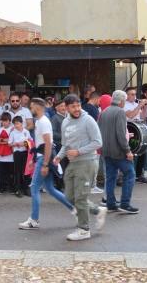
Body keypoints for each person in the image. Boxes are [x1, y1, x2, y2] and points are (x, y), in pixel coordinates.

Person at [54, 94, 106, 241]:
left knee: (80, 198)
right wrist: (58, 156)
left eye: (78, 106)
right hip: (73, 163)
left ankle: (84, 230)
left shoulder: (88, 120)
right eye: (73, 107)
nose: (77, 109)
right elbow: (65, 144)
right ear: (67, 107)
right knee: (69, 197)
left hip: (87, 162)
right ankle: (97, 210)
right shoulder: (65, 122)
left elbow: (98, 142)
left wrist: (78, 151)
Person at [19, 98, 75, 231]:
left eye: (31, 107)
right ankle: (74, 209)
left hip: (44, 158)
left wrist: (44, 164)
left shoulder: (43, 122)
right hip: (44, 157)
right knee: (50, 189)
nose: (30, 110)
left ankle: (34, 220)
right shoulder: (40, 121)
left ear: (37, 107)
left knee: (34, 188)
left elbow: (48, 143)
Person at [98, 90, 138, 214]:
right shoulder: (120, 112)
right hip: (118, 151)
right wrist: (127, 151)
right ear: (121, 101)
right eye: (124, 101)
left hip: (106, 150)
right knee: (130, 174)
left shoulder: (104, 112)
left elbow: (99, 131)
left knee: (110, 177)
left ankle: (110, 204)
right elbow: (121, 134)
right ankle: (125, 203)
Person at [8, 115, 30, 197]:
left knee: (25, 171)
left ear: (22, 123)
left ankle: (26, 188)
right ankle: (17, 189)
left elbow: (30, 141)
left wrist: (24, 143)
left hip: (25, 152)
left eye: (18, 123)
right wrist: (16, 144)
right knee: (17, 171)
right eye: (15, 124)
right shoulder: (13, 133)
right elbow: (9, 144)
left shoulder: (26, 132)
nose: (16, 125)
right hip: (17, 152)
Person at [0, 112, 14, 193]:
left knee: (11, 173)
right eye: (3, 121)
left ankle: (12, 187)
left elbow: (12, 141)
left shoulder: (13, 129)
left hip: (10, 155)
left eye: (6, 121)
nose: (4, 122)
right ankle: (2, 187)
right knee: (1, 173)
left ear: (10, 121)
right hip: (0, 155)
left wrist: (1, 140)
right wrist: (6, 140)